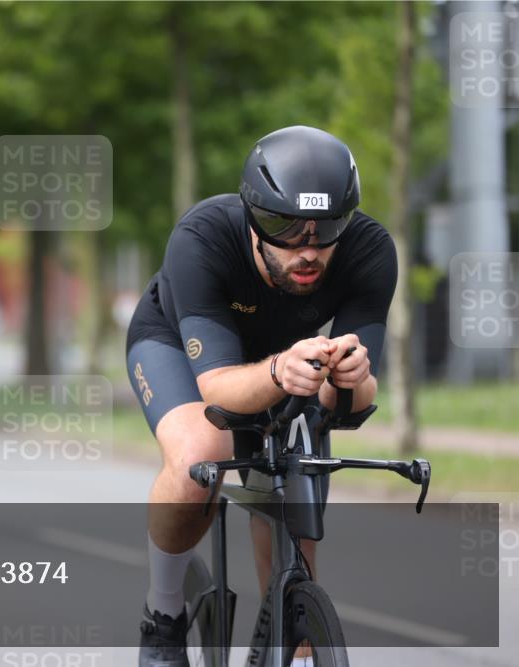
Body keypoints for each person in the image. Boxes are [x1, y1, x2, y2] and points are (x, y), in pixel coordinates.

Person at [126, 126, 396, 666]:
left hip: (290, 359)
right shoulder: (202, 237)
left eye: (326, 231)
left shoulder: (369, 251)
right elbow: (218, 388)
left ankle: (290, 628)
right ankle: (163, 616)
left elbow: (356, 403)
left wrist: (350, 376)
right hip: (181, 348)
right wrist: (278, 370)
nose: (307, 250)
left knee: (300, 467)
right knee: (202, 453)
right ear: (253, 216)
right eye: (283, 227)